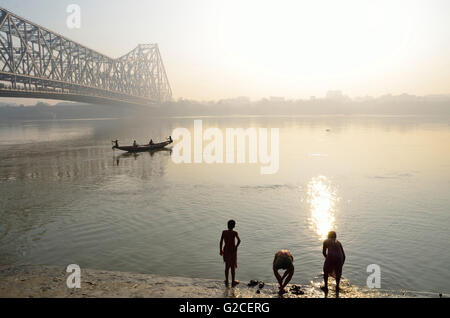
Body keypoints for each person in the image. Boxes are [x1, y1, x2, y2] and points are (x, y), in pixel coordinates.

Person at [219, 220, 241, 287]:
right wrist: (236, 247)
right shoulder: (235, 233)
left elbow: (221, 242)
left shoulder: (224, 232)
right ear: (234, 226)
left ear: (227, 225)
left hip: (226, 250)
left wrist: (220, 250)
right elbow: (239, 241)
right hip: (232, 251)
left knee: (227, 266)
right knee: (232, 267)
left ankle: (227, 280)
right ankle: (233, 281)